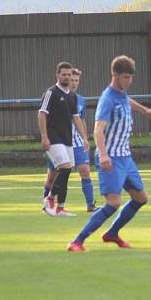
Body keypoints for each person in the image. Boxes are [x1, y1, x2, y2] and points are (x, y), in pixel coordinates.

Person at [68, 56, 151, 251]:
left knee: (141, 198)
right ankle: (78, 240)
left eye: (131, 77)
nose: (129, 81)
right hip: (111, 158)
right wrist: (104, 154)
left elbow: (127, 100)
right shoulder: (107, 99)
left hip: (125, 157)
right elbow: (98, 129)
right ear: (115, 75)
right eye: (125, 77)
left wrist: (145, 110)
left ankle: (112, 233)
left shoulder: (121, 95)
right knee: (114, 202)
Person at [42, 67, 97, 213]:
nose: (73, 83)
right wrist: (45, 136)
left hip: (76, 141)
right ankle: (47, 203)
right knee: (53, 175)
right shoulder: (53, 94)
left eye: (76, 80)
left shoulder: (80, 100)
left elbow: (80, 119)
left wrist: (85, 138)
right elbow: (43, 114)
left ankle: (90, 205)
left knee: (84, 170)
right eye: (71, 79)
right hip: (57, 140)